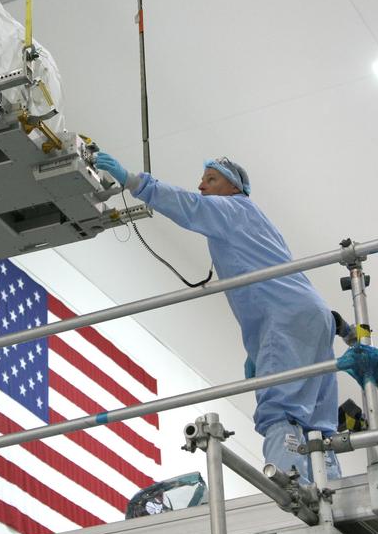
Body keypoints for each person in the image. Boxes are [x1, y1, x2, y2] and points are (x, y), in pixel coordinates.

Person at [94, 152, 341, 483]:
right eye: (202, 179)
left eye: (211, 179)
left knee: (279, 410)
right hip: (313, 316)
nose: (201, 185)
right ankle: (335, 486)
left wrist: (133, 181)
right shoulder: (257, 221)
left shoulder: (233, 209)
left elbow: (189, 206)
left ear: (235, 187)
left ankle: (291, 487)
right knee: (319, 424)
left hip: (284, 318)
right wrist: (257, 353)